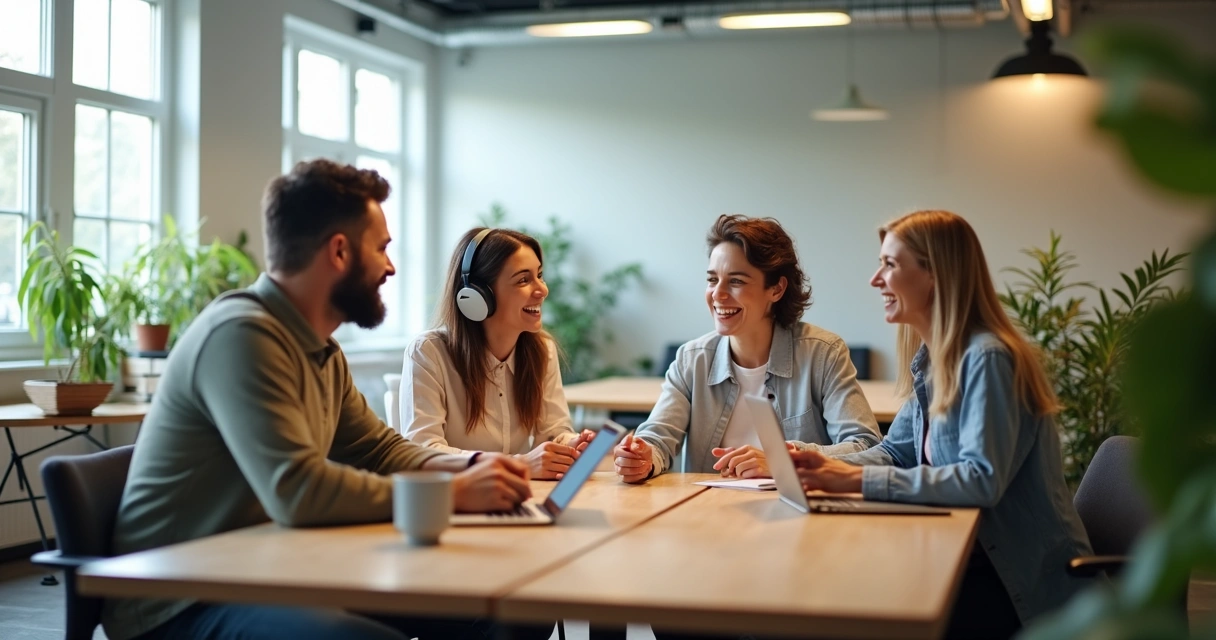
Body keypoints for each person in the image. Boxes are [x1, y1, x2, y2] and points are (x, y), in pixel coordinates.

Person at [102, 160, 544, 640]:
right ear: (339, 252)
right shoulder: (242, 337)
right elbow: (298, 491)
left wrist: (479, 468)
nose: (390, 267)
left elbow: (380, 451)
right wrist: (453, 494)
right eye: (381, 249)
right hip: (179, 600)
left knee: (508, 609)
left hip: (269, 570)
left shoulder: (319, 349)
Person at [791, 210, 1093, 638]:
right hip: (972, 559)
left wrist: (854, 483)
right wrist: (814, 460)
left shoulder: (988, 359)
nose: (876, 280)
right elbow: (898, 451)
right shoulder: (936, 361)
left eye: (890, 265)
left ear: (934, 274)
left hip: (1018, 581)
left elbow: (980, 481)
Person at [614, 214, 880, 484]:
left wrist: (784, 460)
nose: (718, 294)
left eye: (736, 281)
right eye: (712, 279)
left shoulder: (823, 354)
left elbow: (866, 446)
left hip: (796, 514)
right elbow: (656, 440)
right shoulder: (691, 359)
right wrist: (642, 457)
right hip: (707, 514)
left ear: (776, 289)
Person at [401, 227, 593, 479]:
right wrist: (519, 464)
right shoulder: (428, 353)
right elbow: (423, 452)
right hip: (455, 502)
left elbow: (552, 432)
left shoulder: (541, 350)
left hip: (517, 496)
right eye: (524, 280)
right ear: (477, 296)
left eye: (540, 276)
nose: (542, 290)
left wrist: (571, 444)